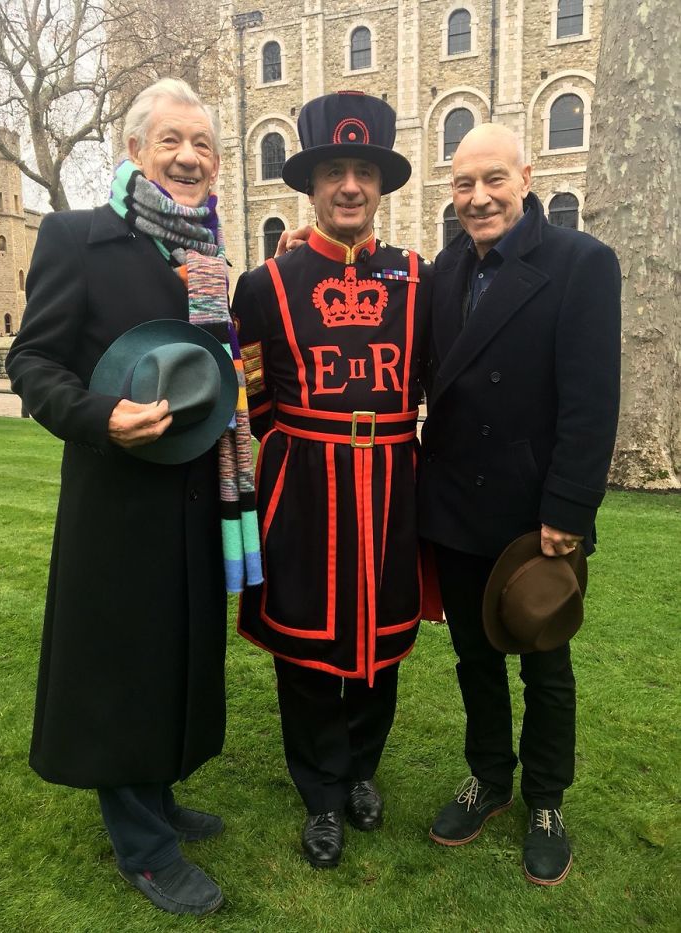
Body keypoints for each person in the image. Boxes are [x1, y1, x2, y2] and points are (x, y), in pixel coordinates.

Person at [6, 78, 261, 916]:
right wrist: (99, 416)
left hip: (192, 493)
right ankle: (143, 846)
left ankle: (157, 794)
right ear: (135, 150)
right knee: (122, 662)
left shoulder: (207, 258)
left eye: (204, 146)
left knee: (176, 653)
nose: (190, 158)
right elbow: (33, 362)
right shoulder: (79, 237)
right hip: (116, 501)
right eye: (171, 141)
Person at [232, 92, 432, 868]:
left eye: (363, 172)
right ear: (311, 185)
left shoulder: (418, 278)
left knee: (380, 647)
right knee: (309, 650)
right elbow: (255, 401)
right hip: (305, 489)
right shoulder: (265, 284)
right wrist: (299, 468)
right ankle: (319, 792)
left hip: (390, 486)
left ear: (380, 186)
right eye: (335, 172)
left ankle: (360, 769)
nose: (350, 186)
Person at [417, 123, 621, 885]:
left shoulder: (581, 264)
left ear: (526, 178)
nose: (479, 198)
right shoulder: (441, 273)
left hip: (536, 512)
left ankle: (545, 798)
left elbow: (592, 403)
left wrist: (567, 509)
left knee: (546, 661)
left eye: (493, 180)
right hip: (456, 505)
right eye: (464, 184)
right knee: (474, 657)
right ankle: (489, 778)